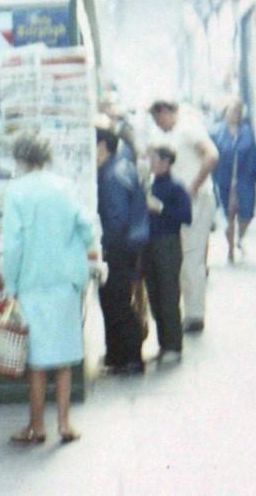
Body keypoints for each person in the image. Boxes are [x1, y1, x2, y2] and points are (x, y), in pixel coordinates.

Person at [3, 133, 94, 445]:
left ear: (21, 159)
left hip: (32, 283)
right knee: (65, 358)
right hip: (65, 282)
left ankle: (37, 425)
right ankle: (65, 424)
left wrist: (10, 284)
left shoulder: (16, 192)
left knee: (38, 362)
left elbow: (13, 245)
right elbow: (87, 228)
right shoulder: (65, 187)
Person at [148, 98, 218, 334]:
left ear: (167, 111)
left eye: (158, 118)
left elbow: (211, 155)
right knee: (183, 256)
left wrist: (194, 187)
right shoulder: (169, 134)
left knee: (192, 256)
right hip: (180, 202)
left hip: (195, 201)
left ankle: (195, 314)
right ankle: (189, 311)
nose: (157, 124)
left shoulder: (189, 128)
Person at [96, 127, 150, 374]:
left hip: (118, 247)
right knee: (116, 300)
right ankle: (119, 355)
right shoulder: (120, 166)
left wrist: (105, 247)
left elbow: (117, 219)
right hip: (128, 245)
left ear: (103, 146)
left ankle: (129, 356)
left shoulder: (111, 175)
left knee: (116, 301)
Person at [143, 146, 192, 363]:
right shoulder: (150, 185)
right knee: (154, 294)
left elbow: (186, 216)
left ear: (165, 162)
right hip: (149, 243)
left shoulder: (176, 188)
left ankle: (174, 345)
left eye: (154, 159)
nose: (150, 163)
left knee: (168, 294)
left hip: (168, 243)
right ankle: (163, 344)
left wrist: (160, 208)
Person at [211, 98, 256, 263]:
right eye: (231, 111)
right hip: (224, 179)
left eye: (238, 112)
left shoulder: (247, 131)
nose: (234, 114)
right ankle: (230, 250)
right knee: (229, 215)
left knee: (247, 213)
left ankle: (239, 236)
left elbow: (255, 155)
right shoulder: (215, 132)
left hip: (245, 178)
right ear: (225, 112)